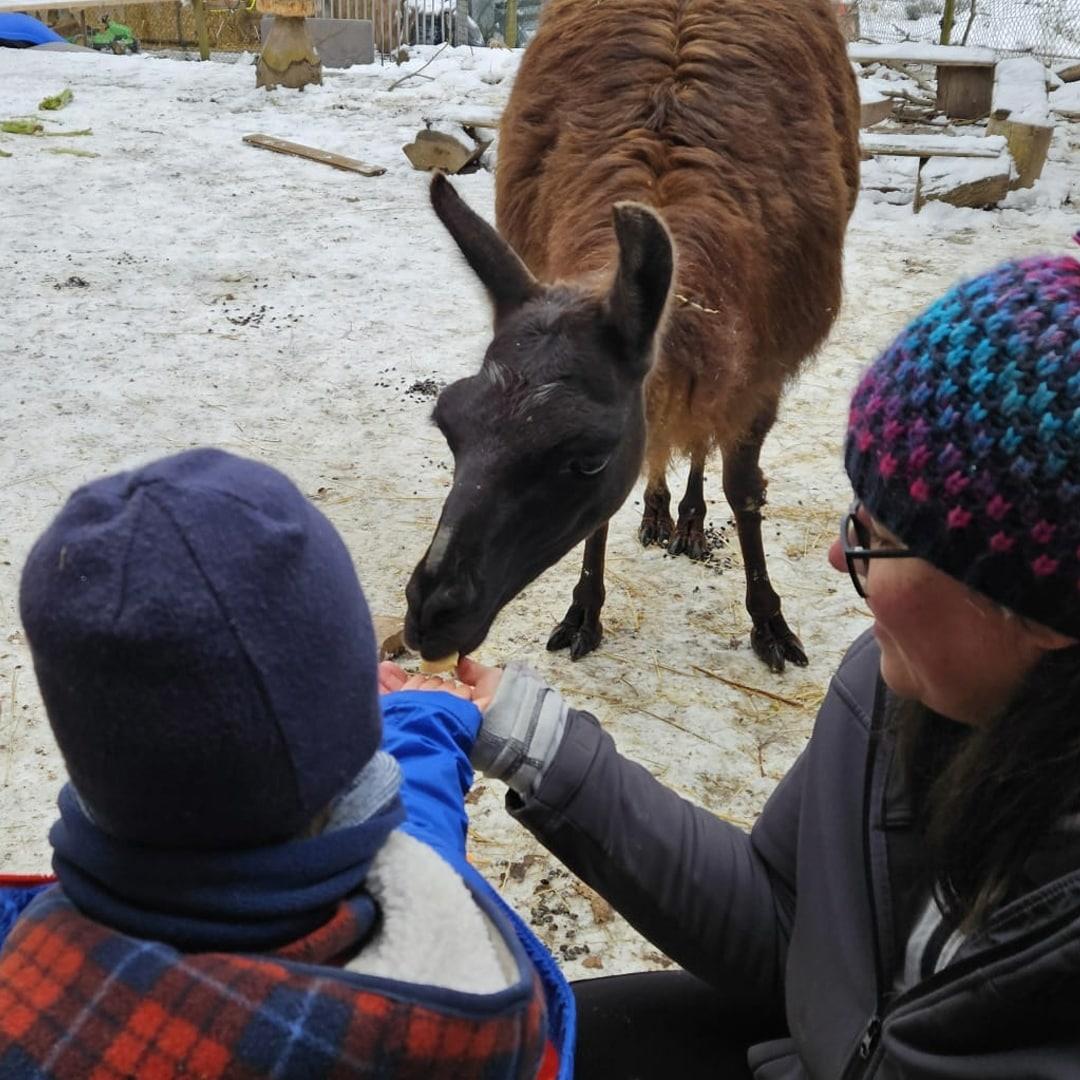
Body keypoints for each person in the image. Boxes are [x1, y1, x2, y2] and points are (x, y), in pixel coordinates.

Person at [387, 250, 1080, 1077]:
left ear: (1040, 609)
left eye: (878, 542)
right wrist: (533, 741)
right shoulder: (890, 690)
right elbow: (793, 925)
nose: (834, 555)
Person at [0, 448, 571, 1079]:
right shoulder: (470, 1025)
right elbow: (412, 861)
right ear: (349, 742)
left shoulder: (28, 982)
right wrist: (427, 721)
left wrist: (415, 727)